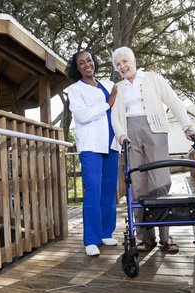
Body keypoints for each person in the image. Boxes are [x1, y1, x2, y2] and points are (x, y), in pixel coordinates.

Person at [111, 46, 195, 252]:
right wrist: (121, 134)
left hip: (156, 132)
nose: (122, 66)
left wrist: (187, 127)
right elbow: (115, 115)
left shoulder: (152, 78)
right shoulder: (118, 87)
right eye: (118, 64)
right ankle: (145, 237)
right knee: (139, 186)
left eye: (125, 61)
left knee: (159, 183)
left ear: (134, 60)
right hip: (130, 135)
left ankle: (165, 237)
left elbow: (174, 101)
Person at [66, 51, 121, 256]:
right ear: (77, 68)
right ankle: (91, 239)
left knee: (108, 189)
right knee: (93, 190)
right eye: (81, 63)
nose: (87, 64)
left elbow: (125, 97)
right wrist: (107, 104)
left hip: (111, 143)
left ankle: (106, 233)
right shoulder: (75, 90)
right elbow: (82, 115)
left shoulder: (107, 85)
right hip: (91, 145)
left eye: (89, 60)